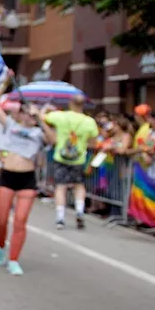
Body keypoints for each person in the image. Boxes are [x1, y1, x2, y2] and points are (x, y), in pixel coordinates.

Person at [0, 75, 53, 276]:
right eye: (25, 113)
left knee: (20, 221)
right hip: (8, 176)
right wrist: (4, 84)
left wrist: (41, 118)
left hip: (27, 179)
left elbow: (54, 140)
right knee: (1, 220)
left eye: (30, 114)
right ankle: (0, 247)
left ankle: (14, 259)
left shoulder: (38, 132)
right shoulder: (11, 126)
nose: (27, 116)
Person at [41, 94, 99, 230]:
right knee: (79, 185)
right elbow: (93, 143)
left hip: (61, 157)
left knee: (61, 187)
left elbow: (42, 118)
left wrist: (45, 109)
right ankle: (79, 210)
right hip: (78, 158)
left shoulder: (61, 116)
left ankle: (60, 218)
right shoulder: (89, 121)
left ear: (70, 104)